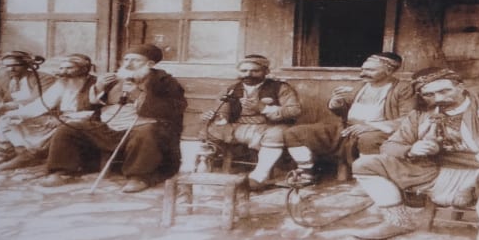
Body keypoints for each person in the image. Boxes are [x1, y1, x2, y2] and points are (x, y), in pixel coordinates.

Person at [351, 67, 479, 240]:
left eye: (444, 91)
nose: (438, 99)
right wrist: (411, 149)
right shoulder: (421, 113)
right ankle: (398, 221)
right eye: (429, 95)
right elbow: (390, 146)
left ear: (460, 86)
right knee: (366, 164)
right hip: (435, 171)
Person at [40, 44, 186, 193]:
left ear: (150, 64)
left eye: (135, 60)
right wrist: (99, 87)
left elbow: (173, 109)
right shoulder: (114, 79)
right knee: (69, 128)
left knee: (146, 132)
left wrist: (137, 95)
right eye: (126, 59)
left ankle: (139, 177)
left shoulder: (165, 82)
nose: (128, 64)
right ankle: (61, 172)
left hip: (142, 126)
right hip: (108, 127)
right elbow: (87, 106)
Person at [282, 51, 412, 185]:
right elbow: (345, 111)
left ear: (389, 71)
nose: (363, 73)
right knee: (295, 133)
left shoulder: (402, 89)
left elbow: (408, 119)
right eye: (363, 69)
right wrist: (336, 103)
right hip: (346, 128)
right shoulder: (363, 85)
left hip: (378, 131)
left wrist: (371, 127)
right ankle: (306, 173)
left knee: (368, 139)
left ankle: (369, 181)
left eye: (370, 70)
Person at [200, 54, 301, 190]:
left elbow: (294, 110)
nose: (248, 74)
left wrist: (263, 108)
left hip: (269, 127)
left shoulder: (281, 88)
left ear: (266, 71)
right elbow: (221, 111)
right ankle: (205, 168)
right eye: (244, 71)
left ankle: (259, 176)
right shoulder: (231, 89)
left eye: (255, 71)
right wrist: (214, 116)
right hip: (238, 127)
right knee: (211, 128)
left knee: (277, 134)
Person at [0, 54, 97, 169]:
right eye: (62, 68)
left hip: (85, 122)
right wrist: (15, 114)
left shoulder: (95, 84)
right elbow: (43, 104)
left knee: (63, 129)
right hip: (61, 119)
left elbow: (98, 111)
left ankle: (42, 160)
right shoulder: (63, 83)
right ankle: (25, 154)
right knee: (9, 119)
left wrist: (66, 119)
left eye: (69, 68)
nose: (64, 72)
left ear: (84, 69)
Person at [0, 51, 45, 162]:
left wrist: (7, 106)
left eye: (15, 65)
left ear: (27, 65)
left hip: (37, 112)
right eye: (7, 66)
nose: (11, 69)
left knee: (6, 116)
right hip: (13, 111)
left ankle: (23, 153)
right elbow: (1, 97)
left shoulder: (42, 78)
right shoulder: (7, 80)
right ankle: (5, 149)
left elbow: (37, 100)